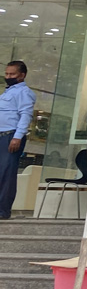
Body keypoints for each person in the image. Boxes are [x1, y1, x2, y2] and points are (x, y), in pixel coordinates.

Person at [0, 61, 36, 220]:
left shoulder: (24, 92)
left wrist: (17, 137)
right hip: (2, 134)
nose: (8, 77)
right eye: (7, 73)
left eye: (12, 74)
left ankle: (3, 210)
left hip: (11, 136)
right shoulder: (8, 92)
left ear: (22, 75)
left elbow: (25, 115)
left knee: (6, 174)